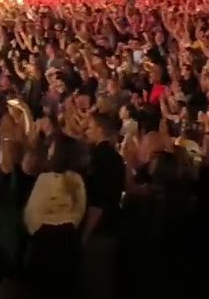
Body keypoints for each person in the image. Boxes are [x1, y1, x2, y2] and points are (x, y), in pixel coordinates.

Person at [23, 135, 87, 299]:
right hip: (68, 235)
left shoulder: (45, 179)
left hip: (46, 237)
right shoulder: (77, 179)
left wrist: (36, 230)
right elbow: (80, 208)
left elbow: (33, 211)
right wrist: (71, 223)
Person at [82, 112, 126, 299]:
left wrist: (85, 234)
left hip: (99, 230)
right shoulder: (115, 158)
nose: (87, 131)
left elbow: (98, 200)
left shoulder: (100, 158)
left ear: (100, 130)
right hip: (110, 227)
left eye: (90, 127)